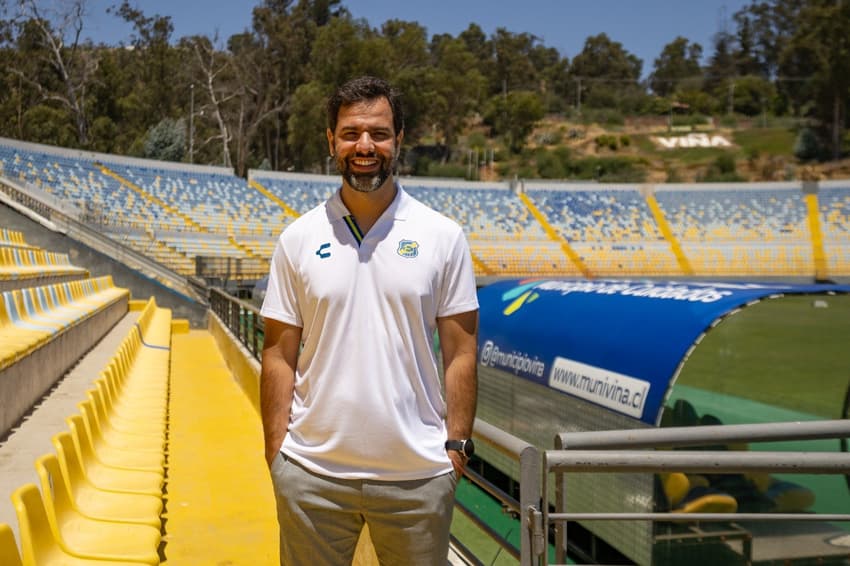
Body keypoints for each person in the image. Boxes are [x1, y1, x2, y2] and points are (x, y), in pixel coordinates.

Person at [259, 75, 479, 566]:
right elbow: (277, 352)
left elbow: (461, 352)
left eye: (379, 133)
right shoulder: (297, 239)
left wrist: (456, 449)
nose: (365, 146)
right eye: (351, 132)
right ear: (331, 140)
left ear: (399, 140)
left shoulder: (443, 237)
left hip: (418, 476)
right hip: (312, 476)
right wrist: (278, 453)